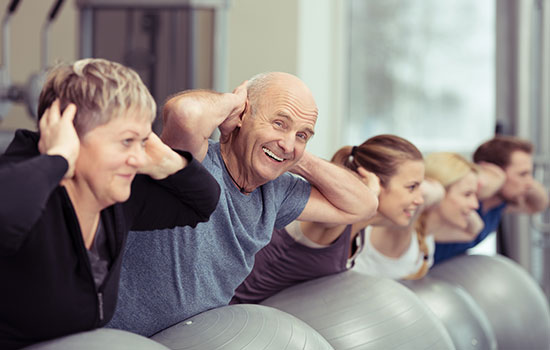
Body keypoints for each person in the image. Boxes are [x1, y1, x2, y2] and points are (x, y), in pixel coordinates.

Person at [107, 72, 380, 336]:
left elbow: (363, 205)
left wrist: (296, 155)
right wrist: (233, 103)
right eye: (279, 123)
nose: (288, 142)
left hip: (189, 341)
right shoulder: (195, 163)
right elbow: (185, 113)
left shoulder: (278, 192)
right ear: (243, 115)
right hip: (115, 337)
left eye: (303, 134)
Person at [0, 58, 220, 350]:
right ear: (71, 137)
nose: (138, 157)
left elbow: (203, 203)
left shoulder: (115, 196)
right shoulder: (26, 187)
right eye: (126, 141)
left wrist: (167, 159)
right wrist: (58, 160)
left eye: (142, 141)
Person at [231, 134, 430, 304]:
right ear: (373, 181)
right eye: (411, 187)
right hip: (230, 318)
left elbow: (436, 194)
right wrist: (367, 193)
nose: (420, 199)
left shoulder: (360, 229)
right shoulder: (332, 220)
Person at [433, 136, 549, 263]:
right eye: (522, 174)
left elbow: (539, 204)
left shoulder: (501, 204)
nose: (530, 184)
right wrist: (494, 176)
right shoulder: (461, 200)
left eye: (529, 174)